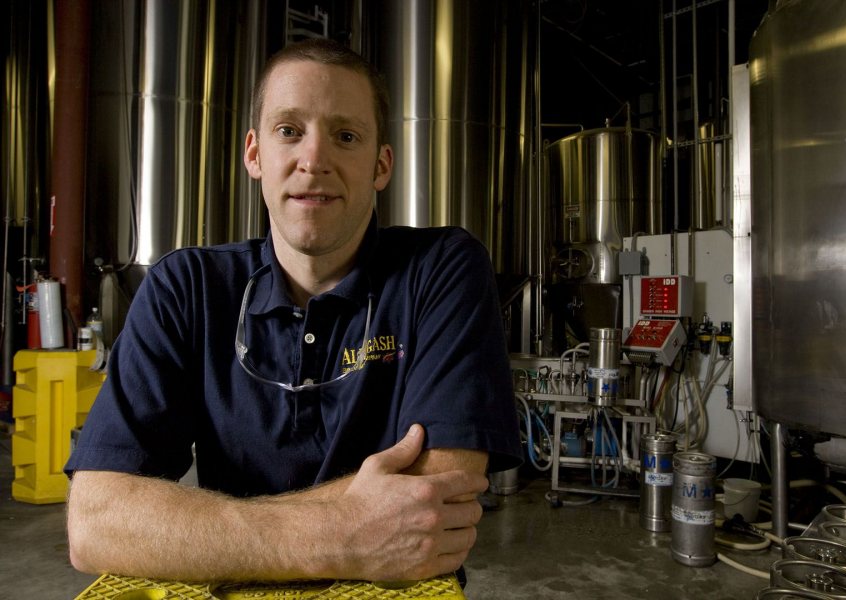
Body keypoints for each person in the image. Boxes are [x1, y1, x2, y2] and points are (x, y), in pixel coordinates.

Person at [65, 38, 521, 584]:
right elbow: (95, 523)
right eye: (290, 131)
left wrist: (200, 530)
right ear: (255, 154)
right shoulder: (186, 287)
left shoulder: (440, 269)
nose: (315, 160)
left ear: (381, 165)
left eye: (345, 136)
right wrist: (341, 533)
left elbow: (433, 501)